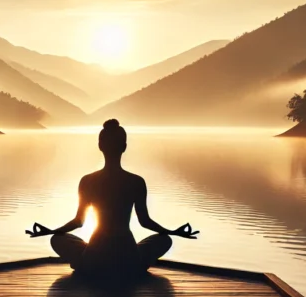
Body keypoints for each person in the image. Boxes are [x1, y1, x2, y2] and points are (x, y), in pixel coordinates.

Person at [26, 119, 198, 278]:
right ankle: (134, 265)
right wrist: (173, 232)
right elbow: (145, 221)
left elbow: (79, 222)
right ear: (124, 146)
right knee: (164, 239)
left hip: (96, 250)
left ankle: (87, 264)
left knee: (57, 239)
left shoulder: (87, 181)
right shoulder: (136, 181)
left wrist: (51, 231)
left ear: (100, 146)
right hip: (127, 250)